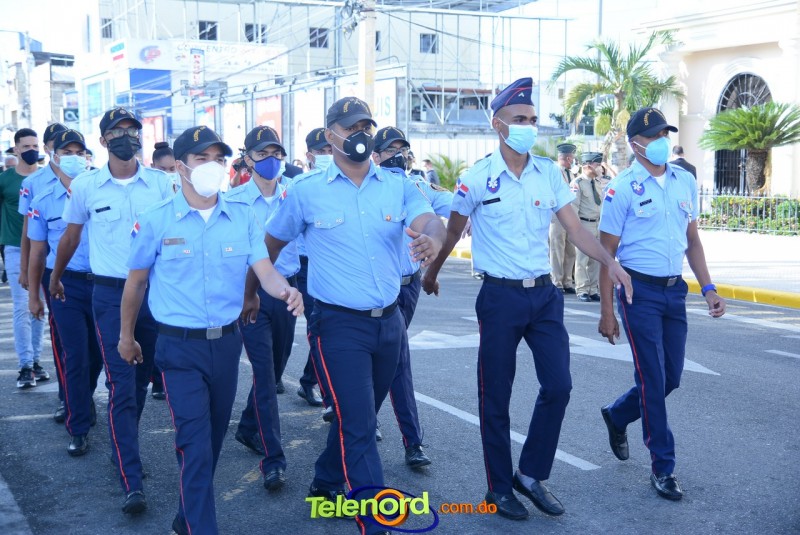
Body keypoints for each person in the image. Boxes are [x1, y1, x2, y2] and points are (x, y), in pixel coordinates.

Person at [421, 77, 631, 521]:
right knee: (496, 396)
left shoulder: (548, 173)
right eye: (520, 119)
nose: (529, 126)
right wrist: (432, 273)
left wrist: (609, 262)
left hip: (545, 297)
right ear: (498, 124)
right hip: (499, 297)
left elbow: (574, 229)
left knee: (559, 386)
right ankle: (499, 488)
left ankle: (530, 474)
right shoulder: (476, 178)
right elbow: (453, 233)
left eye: (533, 119)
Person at [265, 96, 445, 535]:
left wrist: (435, 241)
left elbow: (430, 220)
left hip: (389, 322)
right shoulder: (306, 191)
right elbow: (270, 244)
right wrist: (265, 289)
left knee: (357, 415)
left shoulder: (397, 184)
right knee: (361, 425)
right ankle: (375, 522)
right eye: (351, 127)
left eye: (366, 126)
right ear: (331, 135)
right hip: (338, 325)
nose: (361, 134)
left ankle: (327, 479)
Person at [118, 125, 301, 535]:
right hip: (178, 348)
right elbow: (136, 283)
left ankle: (187, 518)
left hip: (226, 344)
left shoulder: (242, 216)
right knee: (195, 443)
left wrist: (285, 290)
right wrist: (126, 336)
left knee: (213, 439)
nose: (212, 166)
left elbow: (264, 270)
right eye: (202, 158)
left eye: (218, 158)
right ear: (180, 166)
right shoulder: (156, 219)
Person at [597, 107, 725, 501]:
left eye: (664, 134)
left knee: (671, 377)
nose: (661, 142)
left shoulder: (684, 180)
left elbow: (692, 240)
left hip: (674, 291)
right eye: (653, 136)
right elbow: (606, 255)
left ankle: (618, 414)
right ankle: (663, 467)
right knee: (652, 379)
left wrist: (708, 288)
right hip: (638, 292)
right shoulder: (622, 188)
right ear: (634, 144)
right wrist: (607, 312)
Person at [51, 106, 174, 515]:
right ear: (103, 141)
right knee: (121, 383)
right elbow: (71, 237)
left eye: (132, 130)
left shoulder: (161, 184)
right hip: (109, 295)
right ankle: (131, 478)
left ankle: (123, 446)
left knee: (140, 381)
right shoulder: (87, 186)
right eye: (117, 131)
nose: (126, 137)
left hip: (153, 296)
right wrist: (55, 277)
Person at [372, 126, 453, 468]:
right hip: (379, 289)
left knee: (390, 360)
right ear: (375, 155)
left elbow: (452, 208)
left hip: (410, 285)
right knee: (397, 361)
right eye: (391, 150)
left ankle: (365, 419)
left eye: (403, 150)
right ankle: (412, 441)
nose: (399, 156)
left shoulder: (417, 186)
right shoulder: (369, 190)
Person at [226, 125, 301, 491]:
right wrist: (242, 295)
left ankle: (247, 426)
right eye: (262, 154)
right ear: (248, 159)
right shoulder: (234, 200)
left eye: (276, 153)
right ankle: (274, 459)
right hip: (250, 294)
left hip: (287, 292)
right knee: (266, 376)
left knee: (275, 368)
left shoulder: (295, 194)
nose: (270, 160)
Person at [27, 129, 102, 456]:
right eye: (66, 152)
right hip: (64, 285)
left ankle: (82, 398)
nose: (74, 157)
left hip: (102, 284)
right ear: (54, 156)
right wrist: (33, 295)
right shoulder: (43, 200)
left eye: (79, 152)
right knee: (75, 355)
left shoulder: (101, 192)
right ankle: (78, 427)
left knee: (98, 355)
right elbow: (37, 252)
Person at [1, 128, 48, 389]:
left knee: (40, 306)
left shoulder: (46, 178)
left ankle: (36, 361)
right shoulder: (5, 180)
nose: (32, 150)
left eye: (35, 145)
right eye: (26, 146)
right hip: (15, 249)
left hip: (43, 250)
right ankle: (25, 365)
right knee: (21, 307)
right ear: (16, 149)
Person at [571, 152, 605, 302]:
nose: (600, 168)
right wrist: (576, 230)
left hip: (597, 224)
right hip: (584, 224)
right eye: (597, 165)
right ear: (588, 165)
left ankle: (593, 289)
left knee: (596, 259)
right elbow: (573, 208)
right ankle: (582, 289)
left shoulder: (597, 182)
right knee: (582, 259)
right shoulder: (577, 183)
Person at [549, 143, 577, 294]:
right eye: (572, 157)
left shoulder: (571, 174)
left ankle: (567, 281)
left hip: (570, 215)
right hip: (557, 216)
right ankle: (557, 281)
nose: (573, 160)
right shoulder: (553, 172)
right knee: (557, 249)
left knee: (570, 250)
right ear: (567, 158)